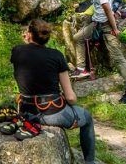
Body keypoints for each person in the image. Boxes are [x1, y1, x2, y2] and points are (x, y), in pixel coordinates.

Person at [11, 19, 96, 164]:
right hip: (51, 113)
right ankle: (90, 162)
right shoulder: (56, 56)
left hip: (25, 112)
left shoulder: (17, 51)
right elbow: (70, 97)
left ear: (29, 34)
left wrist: (28, 43)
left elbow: (30, 55)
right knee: (87, 118)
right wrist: (72, 101)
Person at [70, 0, 126, 104]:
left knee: (118, 57)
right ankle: (82, 69)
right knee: (78, 38)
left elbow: (107, 8)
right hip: (97, 24)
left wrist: (114, 29)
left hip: (106, 26)